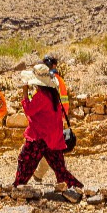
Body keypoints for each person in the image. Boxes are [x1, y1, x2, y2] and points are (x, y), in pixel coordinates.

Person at [14, 64, 83, 188]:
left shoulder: (41, 96)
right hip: (53, 136)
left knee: (25, 161)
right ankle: (76, 188)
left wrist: (25, 92)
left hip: (39, 135)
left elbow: (29, 110)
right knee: (59, 168)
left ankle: (18, 187)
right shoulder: (52, 94)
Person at [32, 55, 71, 183]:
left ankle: (40, 173)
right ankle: (45, 174)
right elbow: (64, 101)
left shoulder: (45, 81)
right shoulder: (59, 80)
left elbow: (37, 100)